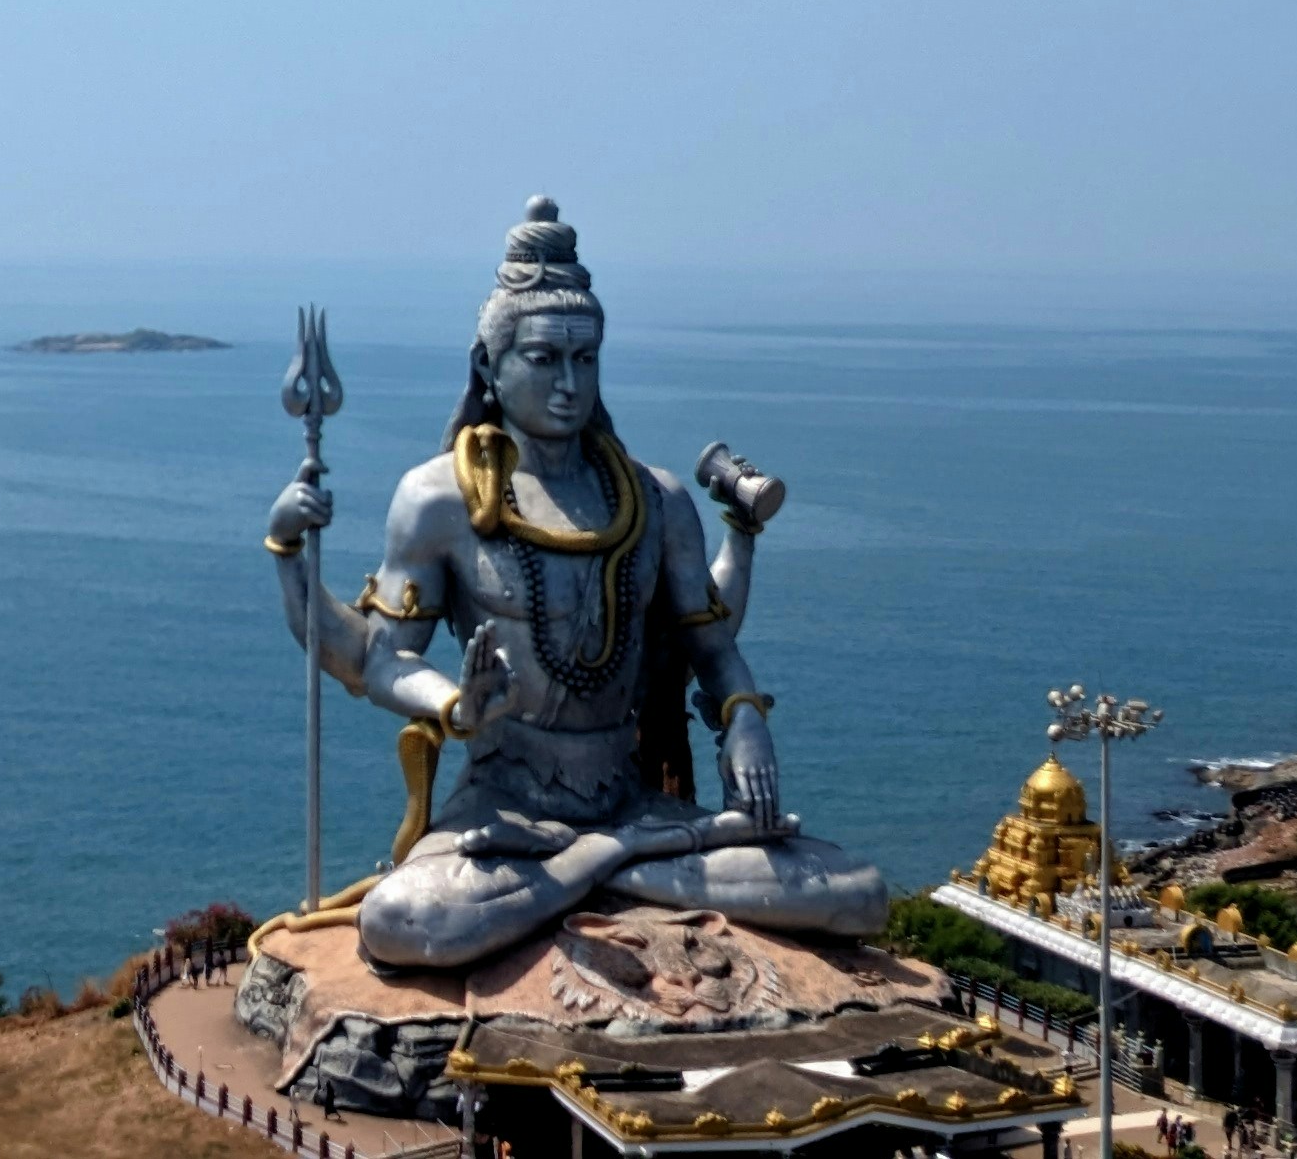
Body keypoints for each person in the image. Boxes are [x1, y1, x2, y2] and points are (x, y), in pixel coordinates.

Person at [266, 198, 886, 968]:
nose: (567, 383)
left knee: (857, 890)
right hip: (501, 811)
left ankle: (598, 856)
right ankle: (615, 861)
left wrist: (744, 718)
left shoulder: (655, 500)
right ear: (488, 366)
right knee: (404, 919)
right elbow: (380, 659)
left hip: (628, 797)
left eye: (584, 360)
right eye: (543, 358)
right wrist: (453, 700)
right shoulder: (439, 499)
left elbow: (710, 644)